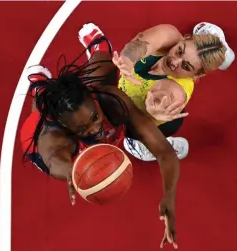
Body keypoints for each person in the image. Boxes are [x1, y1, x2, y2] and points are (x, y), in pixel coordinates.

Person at [20, 32, 179, 249]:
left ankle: (98, 46)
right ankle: (38, 86)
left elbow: (164, 151)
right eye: (83, 128)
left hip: (92, 96)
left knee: (106, 66)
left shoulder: (109, 99)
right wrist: (74, 175)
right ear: (67, 126)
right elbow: (58, 164)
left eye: (95, 118)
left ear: (94, 101)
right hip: (51, 142)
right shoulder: (53, 139)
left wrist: (169, 195)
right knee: (41, 107)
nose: (95, 128)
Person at [78, 22, 235, 162]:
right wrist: (126, 60)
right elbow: (140, 44)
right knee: (102, 80)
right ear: (184, 38)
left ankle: (153, 146)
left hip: (143, 120)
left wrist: (153, 109)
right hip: (121, 92)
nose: (174, 62)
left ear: (197, 75)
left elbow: (164, 95)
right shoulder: (170, 35)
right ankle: (217, 46)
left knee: (136, 132)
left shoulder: (177, 90)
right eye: (179, 51)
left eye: (186, 66)